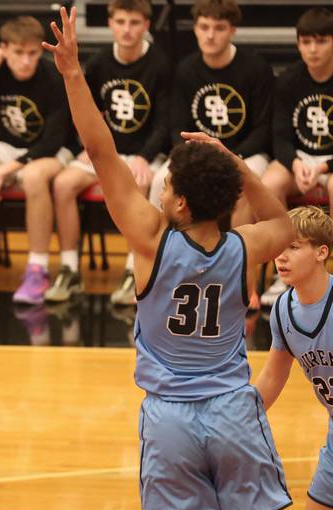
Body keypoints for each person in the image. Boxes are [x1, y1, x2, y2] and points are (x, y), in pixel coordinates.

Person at [46, 7, 303, 510]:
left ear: (180, 201)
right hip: (234, 412)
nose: (159, 189)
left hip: (168, 420)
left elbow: (100, 149)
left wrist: (74, 73)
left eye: (167, 185)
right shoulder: (247, 246)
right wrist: (238, 165)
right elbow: (288, 224)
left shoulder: (151, 240)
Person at [43, 0, 170, 305]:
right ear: (111, 24)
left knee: (140, 182)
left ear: (146, 26)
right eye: (121, 22)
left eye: (134, 23)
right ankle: (70, 269)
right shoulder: (100, 62)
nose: (127, 30)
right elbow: (87, 109)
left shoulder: (161, 64)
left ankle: (134, 270)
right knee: (63, 184)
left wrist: (145, 156)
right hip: (107, 153)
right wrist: (88, 147)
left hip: (143, 154)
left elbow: (165, 123)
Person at [254, 206, 333, 510]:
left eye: (294, 248)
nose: (281, 257)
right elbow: (272, 378)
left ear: (322, 252)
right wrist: (234, 418)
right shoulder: (283, 309)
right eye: (279, 249)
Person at [0, 15, 70, 305]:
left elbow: (53, 140)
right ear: (4, 49)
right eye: (17, 52)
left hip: (51, 149)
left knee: (32, 177)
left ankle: (37, 269)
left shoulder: (52, 77)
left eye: (32, 53)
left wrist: (8, 169)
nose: (25, 61)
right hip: (8, 144)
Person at [148, 0, 273, 242]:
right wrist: (195, 158)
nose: (210, 35)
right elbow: (177, 127)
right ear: (195, 28)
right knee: (160, 181)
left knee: (244, 187)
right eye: (204, 27)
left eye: (219, 28)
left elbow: (263, 129)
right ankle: (155, 255)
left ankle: (240, 259)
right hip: (198, 155)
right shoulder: (185, 69)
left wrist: (230, 157)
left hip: (245, 154)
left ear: (232, 30)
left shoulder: (256, 68)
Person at [259, 8, 333, 308]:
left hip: (329, 164)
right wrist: (296, 163)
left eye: (321, 41)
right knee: (268, 184)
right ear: (298, 44)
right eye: (306, 42)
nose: (313, 49)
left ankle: (327, 275)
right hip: (300, 159)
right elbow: (279, 135)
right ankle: (284, 268)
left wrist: (324, 167)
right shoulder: (289, 78)